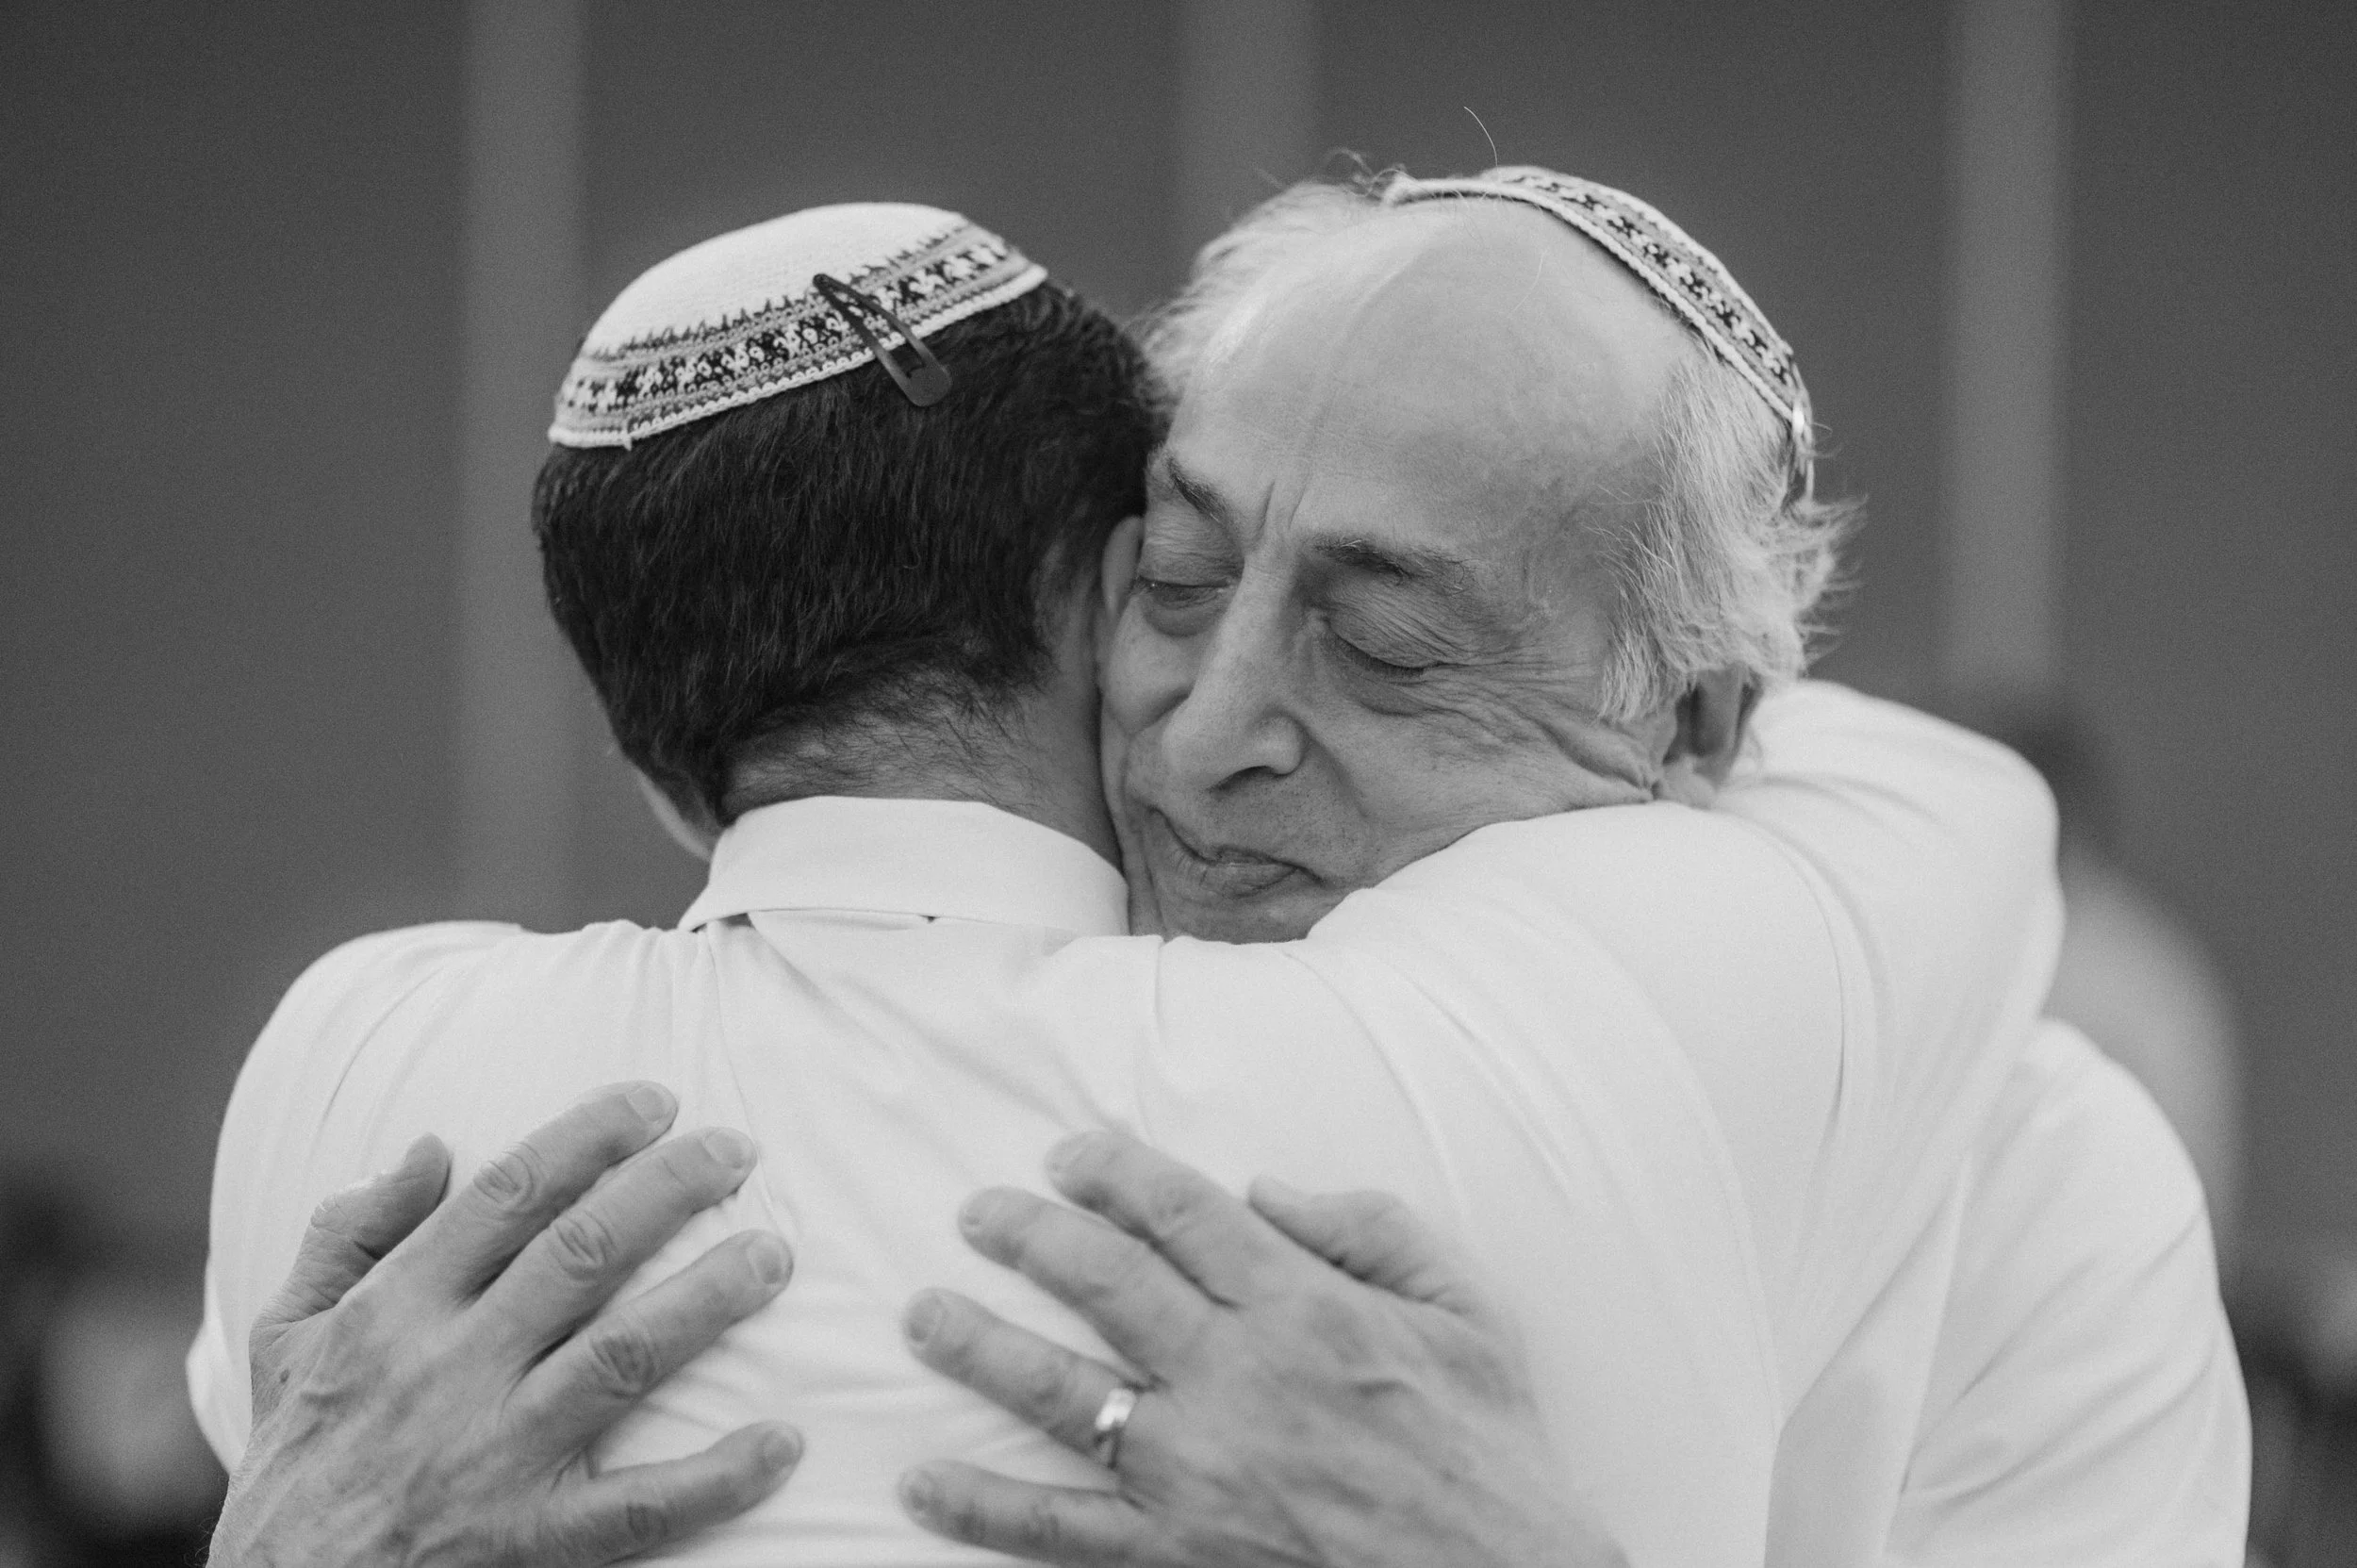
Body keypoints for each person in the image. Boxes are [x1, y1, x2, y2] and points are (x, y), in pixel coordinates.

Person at [191, 175, 2235, 1565]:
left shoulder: (2031, 1192)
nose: (1202, 726)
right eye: (1171, 581)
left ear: (1700, 737)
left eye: (1388, 642)